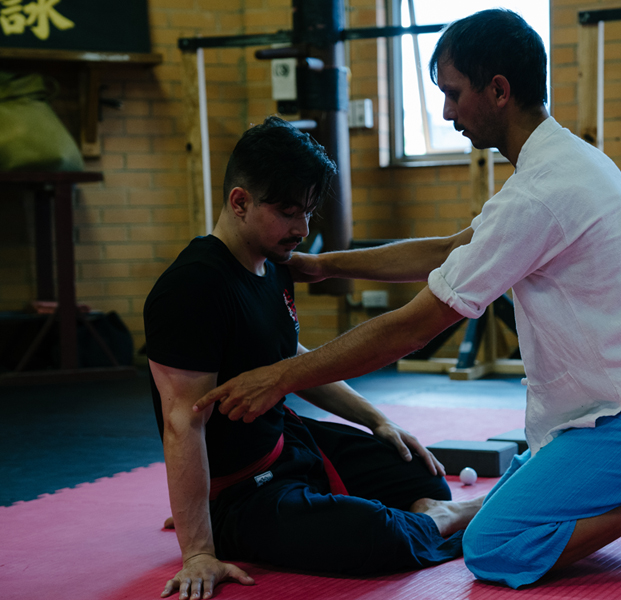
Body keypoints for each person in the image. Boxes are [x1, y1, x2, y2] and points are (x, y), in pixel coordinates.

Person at [192, 9, 621, 590]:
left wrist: (280, 377)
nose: (448, 111)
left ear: (499, 90)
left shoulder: (538, 195)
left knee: (494, 549)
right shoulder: (562, 161)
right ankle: (472, 508)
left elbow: (411, 329)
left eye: (454, 94)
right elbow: (453, 248)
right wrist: (323, 265)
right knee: (526, 474)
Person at [144, 117, 483, 600]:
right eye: (287, 212)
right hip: (244, 492)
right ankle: (443, 520)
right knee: (379, 539)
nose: (301, 229)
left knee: (419, 473)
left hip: (288, 444)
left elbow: (291, 360)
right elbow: (183, 422)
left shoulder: (274, 262)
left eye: (307, 212)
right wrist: (198, 548)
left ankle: (432, 509)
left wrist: (377, 421)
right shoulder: (192, 289)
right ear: (240, 202)